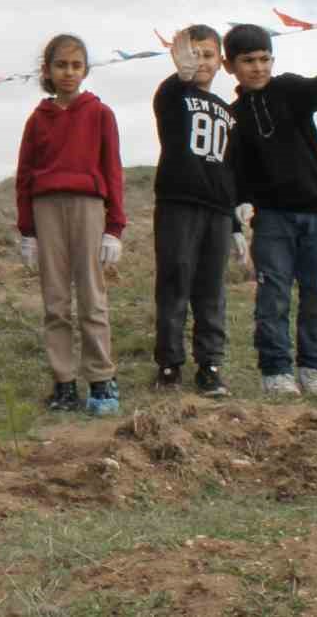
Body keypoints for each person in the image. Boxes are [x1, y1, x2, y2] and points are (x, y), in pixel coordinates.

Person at [223, 23, 317, 398]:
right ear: (230, 66)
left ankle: (314, 369)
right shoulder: (233, 115)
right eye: (248, 61)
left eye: (264, 59)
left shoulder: (288, 89)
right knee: (272, 293)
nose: (258, 68)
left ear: (272, 60)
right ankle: (275, 371)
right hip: (272, 216)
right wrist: (238, 208)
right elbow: (236, 167)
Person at [15, 34, 126, 415]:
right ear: (47, 70)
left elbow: (112, 170)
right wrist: (27, 231)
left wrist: (115, 227)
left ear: (86, 70)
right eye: (61, 65)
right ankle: (63, 382)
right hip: (46, 209)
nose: (68, 72)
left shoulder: (100, 114)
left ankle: (101, 378)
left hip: (88, 207)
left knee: (92, 297)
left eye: (76, 65)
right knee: (56, 300)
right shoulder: (37, 119)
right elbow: (25, 176)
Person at [147, 27, 240, 399]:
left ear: (221, 61)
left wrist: (235, 222)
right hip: (177, 204)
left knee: (211, 289)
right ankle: (169, 365)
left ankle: (210, 365)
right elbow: (177, 81)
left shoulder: (229, 112)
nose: (201, 61)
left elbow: (231, 170)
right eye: (194, 53)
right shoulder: (172, 95)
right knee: (174, 283)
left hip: (217, 210)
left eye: (208, 54)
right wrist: (180, 71)